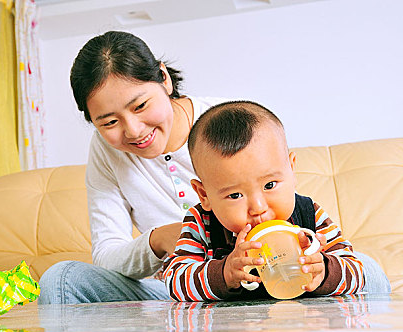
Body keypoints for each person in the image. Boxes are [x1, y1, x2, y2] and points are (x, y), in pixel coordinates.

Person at [38, 31, 390, 304]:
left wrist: (321, 269)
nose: (133, 130)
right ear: (202, 193)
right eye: (109, 121)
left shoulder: (233, 124)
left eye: (141, 105)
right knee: (61, 280)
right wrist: (166, 243)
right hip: (191, 290)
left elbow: (337, 252)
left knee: (370, 273)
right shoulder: (113, 158)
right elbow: (119, 259)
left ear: (164, 79)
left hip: (287, 279)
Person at [162, 101, 378, 301]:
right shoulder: (202, 223)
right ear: (204, 195)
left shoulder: (309, 214)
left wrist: (323, 270)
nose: (258, 207)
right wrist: (225, 272)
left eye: (269, 185)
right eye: (235, 195)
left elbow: (356, 271)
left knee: (369, 267)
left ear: (292, 171)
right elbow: (174, 282)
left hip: (304, 327)